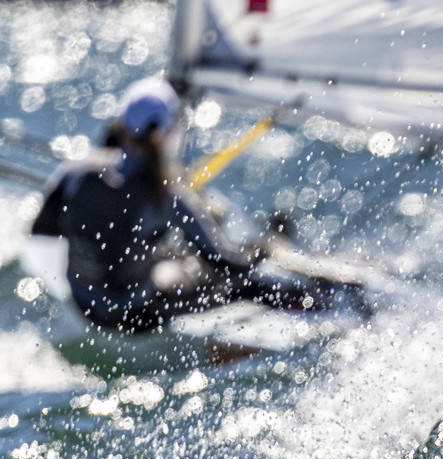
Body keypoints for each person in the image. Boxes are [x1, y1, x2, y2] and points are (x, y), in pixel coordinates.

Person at [30, 77, 345, 333]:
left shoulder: (73, 172)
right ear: (172, 132)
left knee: (173, 254)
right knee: (237, 282)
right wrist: (268, 245)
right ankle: (325, 306)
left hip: (84, 305)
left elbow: (43, 228)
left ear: (121, 126)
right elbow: (230, 264)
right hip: (135, 317)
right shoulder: (167, 196)